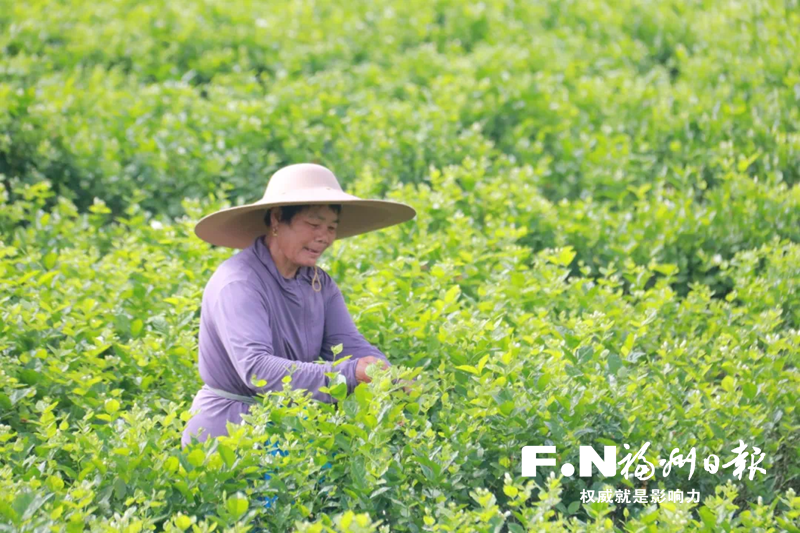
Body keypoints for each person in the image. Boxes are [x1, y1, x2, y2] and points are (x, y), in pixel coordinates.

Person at [181, 163, 416, 448]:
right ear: (277, 219)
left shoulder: (318, 282)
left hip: (288, 427)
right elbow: (257, 369)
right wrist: (349, 374)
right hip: (230, 434)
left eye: (331, 227)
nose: (325, 237)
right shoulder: (240, 283)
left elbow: (349, 344)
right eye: (314, 225)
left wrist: (388, 379)